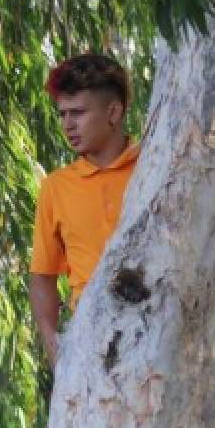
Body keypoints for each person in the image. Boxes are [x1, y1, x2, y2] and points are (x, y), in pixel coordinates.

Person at [29, 53, 139, 364]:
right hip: (89, 345)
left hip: (160, 335)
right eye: (62, 114)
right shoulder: (56, 187)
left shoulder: (155, 170)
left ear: (113, 112)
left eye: (77, 113)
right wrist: (55, 351)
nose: (67, 125)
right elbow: (42, 276)